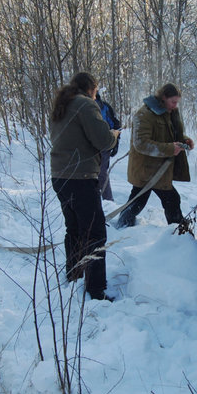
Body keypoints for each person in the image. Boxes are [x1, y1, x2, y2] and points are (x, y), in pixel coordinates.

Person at [50, 72, 120, 302]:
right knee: (96, 233)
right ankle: (96, 290)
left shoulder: (63, 103)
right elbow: (102, 140)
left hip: (60, 176)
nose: (97, 94)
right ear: (91, 88)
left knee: (75, 229)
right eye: (96, 89)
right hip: (80, 177)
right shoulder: (85, 105)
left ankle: (74, 274)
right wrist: (113, 134)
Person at [116, 83, 194, 228]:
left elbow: (167, 134)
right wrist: (170, 149)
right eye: (173, 102)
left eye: (177, 102)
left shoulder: (167, 112)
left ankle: (123, 225)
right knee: (144, 200)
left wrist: (184, 140)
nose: (175, 106)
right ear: (163, 98)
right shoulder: (144, 114)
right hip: (146, 170)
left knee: (145, 200)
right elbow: (141, 143)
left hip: (159, 170)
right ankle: (179, 234)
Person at [95, 91, 122, 201]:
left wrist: (116, 143)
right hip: (88, 147)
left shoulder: (105, 107)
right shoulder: (81, 107)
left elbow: (116, 125)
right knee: (90, 176)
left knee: (101, 174)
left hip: (104, 146)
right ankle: (95, 201)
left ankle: (108, 202)